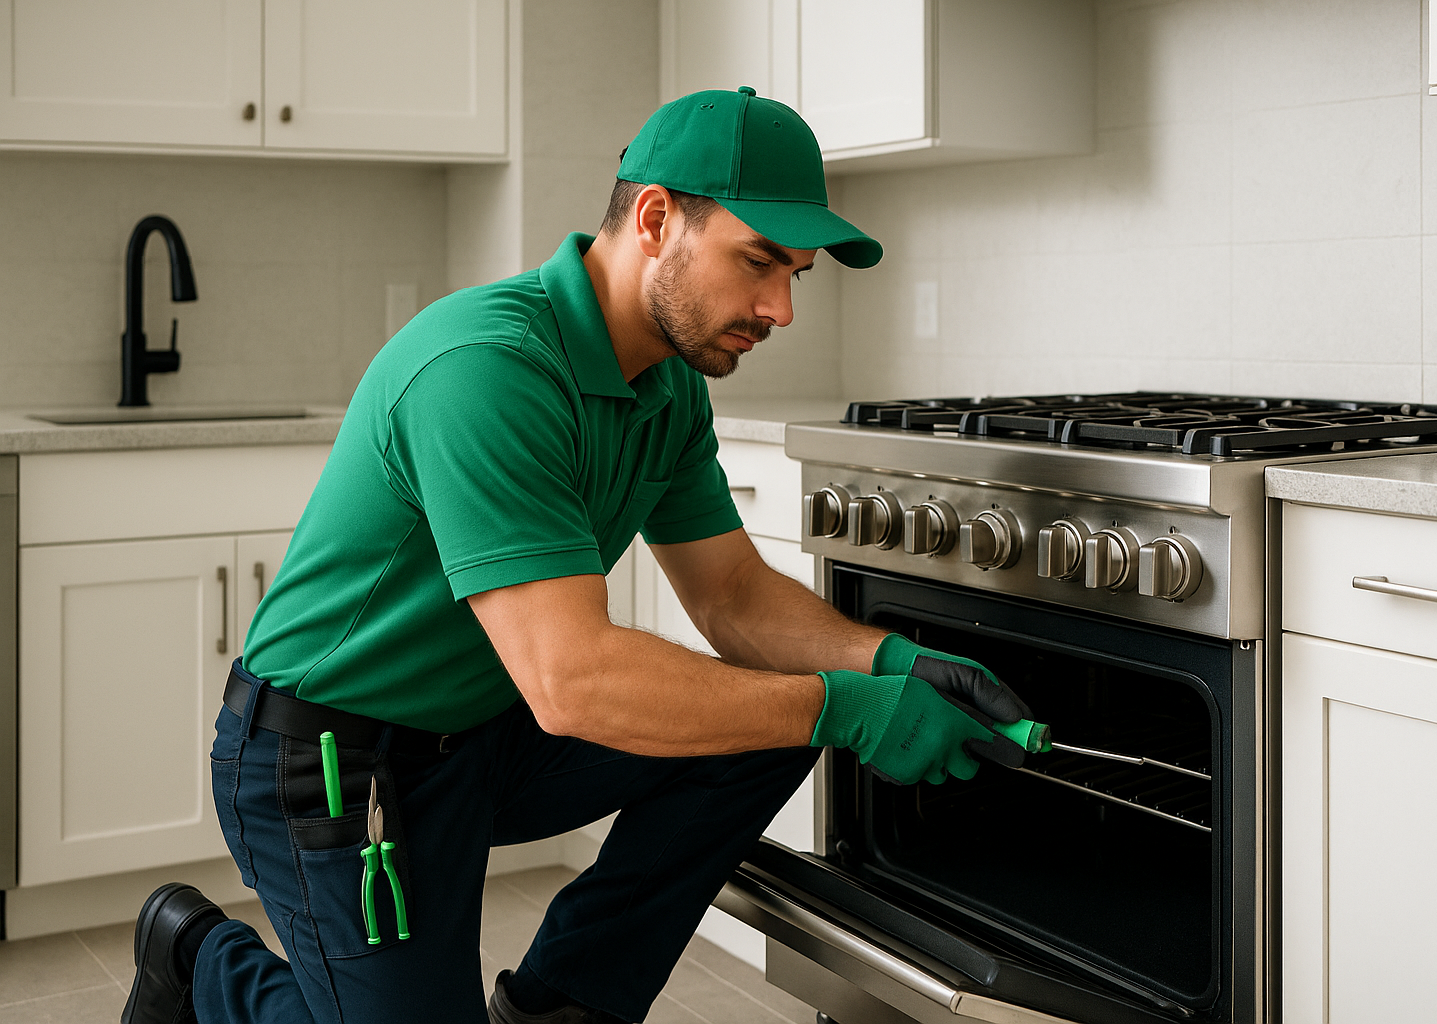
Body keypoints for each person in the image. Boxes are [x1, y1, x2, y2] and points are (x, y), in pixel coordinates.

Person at [121, 86, 1027, 1024]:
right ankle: (195, 959)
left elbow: (733, 596)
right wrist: (844, 705)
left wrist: (889, 663)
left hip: (481, 736)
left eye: (795, 273)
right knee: (804, 708)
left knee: (773, 724)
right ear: (655, 219)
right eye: (759, 261)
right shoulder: (487, 369)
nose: (781, 307)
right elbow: (572, 680)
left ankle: (560, 1008)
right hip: (332, 762)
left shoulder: (668, 386)